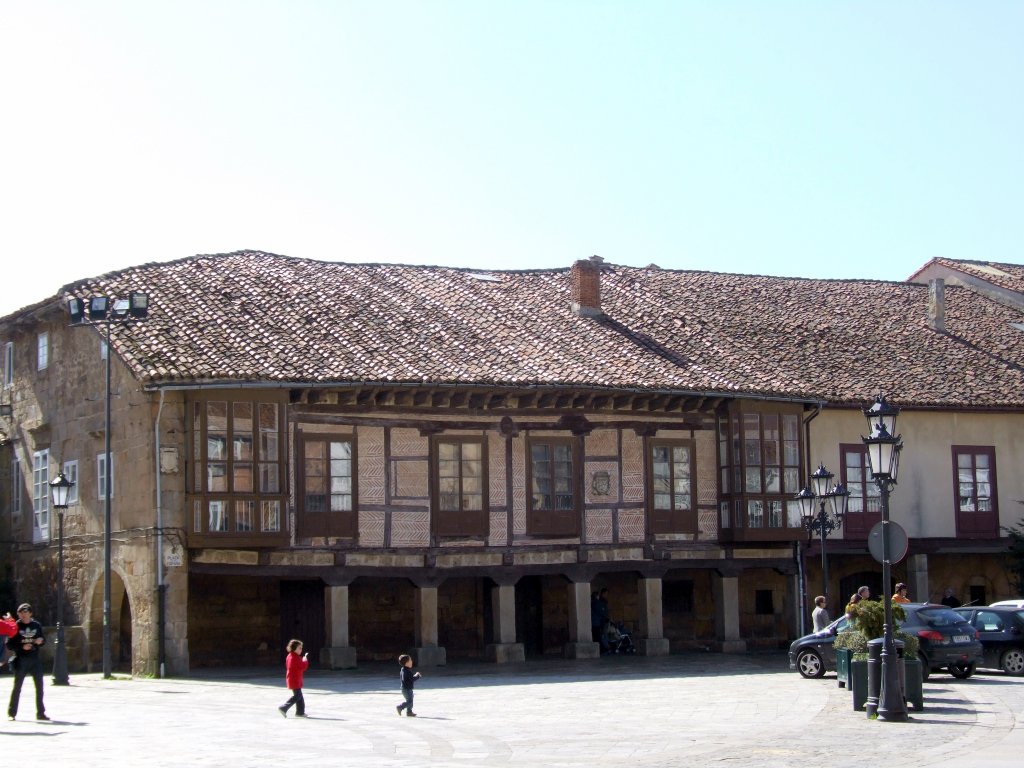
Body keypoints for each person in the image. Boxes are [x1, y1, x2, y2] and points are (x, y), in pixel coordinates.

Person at [6, 603, 47, 721]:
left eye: (26, 612)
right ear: (18, 614)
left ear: (30, 613)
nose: (24, 615)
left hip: (35, 659)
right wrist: (21, 647)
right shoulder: (15, 626)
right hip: (21, 659)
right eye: (21, 613)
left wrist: (40, 640)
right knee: (17, 687)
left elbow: (43, 639)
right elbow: (9, 644)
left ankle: (41, 713)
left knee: (40, 687)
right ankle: (12, 713)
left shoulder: (36, 625)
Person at [277, 638, 309, 718]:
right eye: (299, 648)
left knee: (299, 696)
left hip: (294, 679)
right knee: (297, 696)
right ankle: (284, 707)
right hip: (294, 679)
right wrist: (305, 661)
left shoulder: (291, 656)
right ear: (294, 648)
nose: (301, 650)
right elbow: (302, 667)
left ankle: (300, 712)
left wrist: (302, 660)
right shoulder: (294, 657)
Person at [592, 588, 611, 654]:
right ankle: (605, 648)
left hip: (599, 621)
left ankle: (605, 648)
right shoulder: (597, 603)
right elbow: (601, 611)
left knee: (600, 635)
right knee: (601, 635)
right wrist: (605, 617)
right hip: (599, 622)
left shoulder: (598, 602)